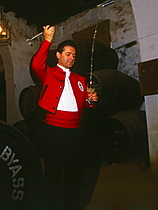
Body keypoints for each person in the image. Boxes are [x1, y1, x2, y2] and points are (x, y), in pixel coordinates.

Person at [31, 25, 98, 210]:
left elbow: (87, 105)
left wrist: (91, 100)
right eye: (68, 54)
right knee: (52, 173)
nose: (71, 58)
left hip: (75, 131)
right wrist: (47, 40)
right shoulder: (49, 73)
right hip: (54, 130)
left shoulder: (81, 79)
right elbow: (36, 63)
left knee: (74, 174)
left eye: (74, 55)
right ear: (58, 55)